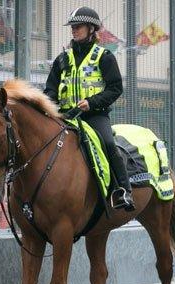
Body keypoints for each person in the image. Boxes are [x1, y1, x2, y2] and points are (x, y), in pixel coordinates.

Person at [44, 6, 135, 211]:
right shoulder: (62, 58)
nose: (74, 30)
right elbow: (50, 90)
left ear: (92, 29)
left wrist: (92, 102)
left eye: (78, 26)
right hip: (66, 116)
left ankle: (123, 191)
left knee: (109, 144)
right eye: (73, 27)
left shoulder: (104, 56)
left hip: (94, 116)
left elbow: (115, 88)